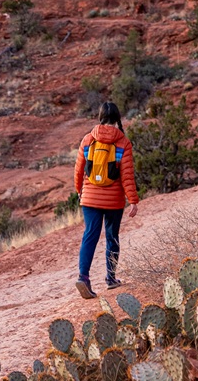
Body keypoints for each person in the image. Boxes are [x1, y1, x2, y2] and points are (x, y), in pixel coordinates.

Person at [73, 100, 139, 298]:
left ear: (100, 117)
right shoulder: (123, 143)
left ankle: (83, 277)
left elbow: (78, 170)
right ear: (117, 118)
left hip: (90, 198)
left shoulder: (88, 139)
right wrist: (133, 200)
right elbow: (127, 175)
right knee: (112, 236)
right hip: (113, 200)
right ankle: (111, 278)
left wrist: (80, 190)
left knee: (90, 235)